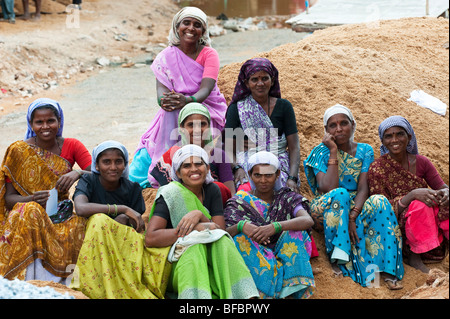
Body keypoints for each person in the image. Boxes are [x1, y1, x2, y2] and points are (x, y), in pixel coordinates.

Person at [304, 104, 404, 290]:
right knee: (340, 193)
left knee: (379, 200)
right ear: (326, 130)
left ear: (353, 125)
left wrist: (352, 216)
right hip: (327, 205)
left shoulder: (365, 150)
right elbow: (327, 188)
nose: (339, 128)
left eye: (344, 123)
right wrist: (333, 151)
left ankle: (388, 268)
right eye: (333, 125)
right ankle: (338, 256)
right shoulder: (320, 152)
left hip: (355, 204)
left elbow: (364, 188)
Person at [130, 6, 227, 188]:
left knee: (189, 112)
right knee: (168, 111)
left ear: (203, 31)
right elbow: (161, 92)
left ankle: (189, 163)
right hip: (176, 109)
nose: (191, 28)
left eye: (197, 25)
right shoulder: (166, 56)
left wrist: (187, 100)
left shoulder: (209, 54)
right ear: (177, 26)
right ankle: (166, 163)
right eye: (186, 23)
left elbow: (206, 88)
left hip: (206, 106)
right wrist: (165, 101)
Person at [145, 144, 259, 299]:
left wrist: (200, 215)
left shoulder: (212, 190)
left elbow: (218, 230)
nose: (194, 169)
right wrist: (195, 229)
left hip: (211, 257)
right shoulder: (170, 194)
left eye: (199, 164)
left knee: (223, 241)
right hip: (177, 261)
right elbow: (151, 238)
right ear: (178, 172)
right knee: (194, 248)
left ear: (207, 168)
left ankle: (245, 296)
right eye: (186, 166)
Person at [0, 98, 91, 283]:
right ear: (31, 124)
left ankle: (66, 280)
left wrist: (77, 173)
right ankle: (27, 280)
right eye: (39, 122)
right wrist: (32, 199)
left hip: (59, 213)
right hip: (27, 211)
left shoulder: (71, 145)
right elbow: (9, 199)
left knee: (82, 224)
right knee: (30, 212)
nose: (45, 126)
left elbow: (97, 171)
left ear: (59, 121)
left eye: (50, 121)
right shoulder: (19, 151)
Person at [70, 141, 171, 299]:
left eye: (118, 161)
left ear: (125, 165)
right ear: (96, 166)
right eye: (106, 162)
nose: (113, 167)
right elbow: (81, 208)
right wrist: (122, 209)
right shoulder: (89, 181)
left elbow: (135, 226)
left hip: (119, 244)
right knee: (98, 220)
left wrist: (122, 219)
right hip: (92, 242)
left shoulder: (132, 188)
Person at [224, 151, 315, 299]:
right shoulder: (240, 200)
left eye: (269, 175)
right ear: (249, 174)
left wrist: (275, 227)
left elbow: (307, 220)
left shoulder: (286, 197)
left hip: (283, 250)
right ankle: (261, 293)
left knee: (296, 232)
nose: (263, 180)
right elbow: (225, 232)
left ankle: (290, 292)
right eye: (257, 175)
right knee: (239, 239)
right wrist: (241, 225)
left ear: (277, 174)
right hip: (256, 252)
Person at [368, 116, 449, 273]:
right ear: (382, 141)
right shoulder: (377, 168)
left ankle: (439, 247)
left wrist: (445, 193)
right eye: (388, 136)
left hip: (428, 216)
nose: (395, 140)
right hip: (398, 222)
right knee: (419, 205)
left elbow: (443, 187)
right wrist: (412, 195)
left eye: (400, 134)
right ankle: (414, 256)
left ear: (409, 137)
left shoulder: (421, 162)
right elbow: (380, 209)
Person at [225, 57, 301, 193]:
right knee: (245, 192)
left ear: (272, 80)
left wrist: (292, 177)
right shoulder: (236, 109)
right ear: (246, 83)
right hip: (247, 165)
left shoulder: (284, 106)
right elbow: (229, 147)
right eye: (254, 79)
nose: (260, 83)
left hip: (278, 163)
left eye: (265, 78)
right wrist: (237, 168)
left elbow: (294, 147)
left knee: (286, 195)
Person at [148, 102, 235, 203]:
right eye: (191, 125)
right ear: (182, 128)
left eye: (202, 124)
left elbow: (230, 193)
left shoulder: (218, 155)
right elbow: (165, 195)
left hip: (215, 208)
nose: (197, 130)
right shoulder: (172, 155)